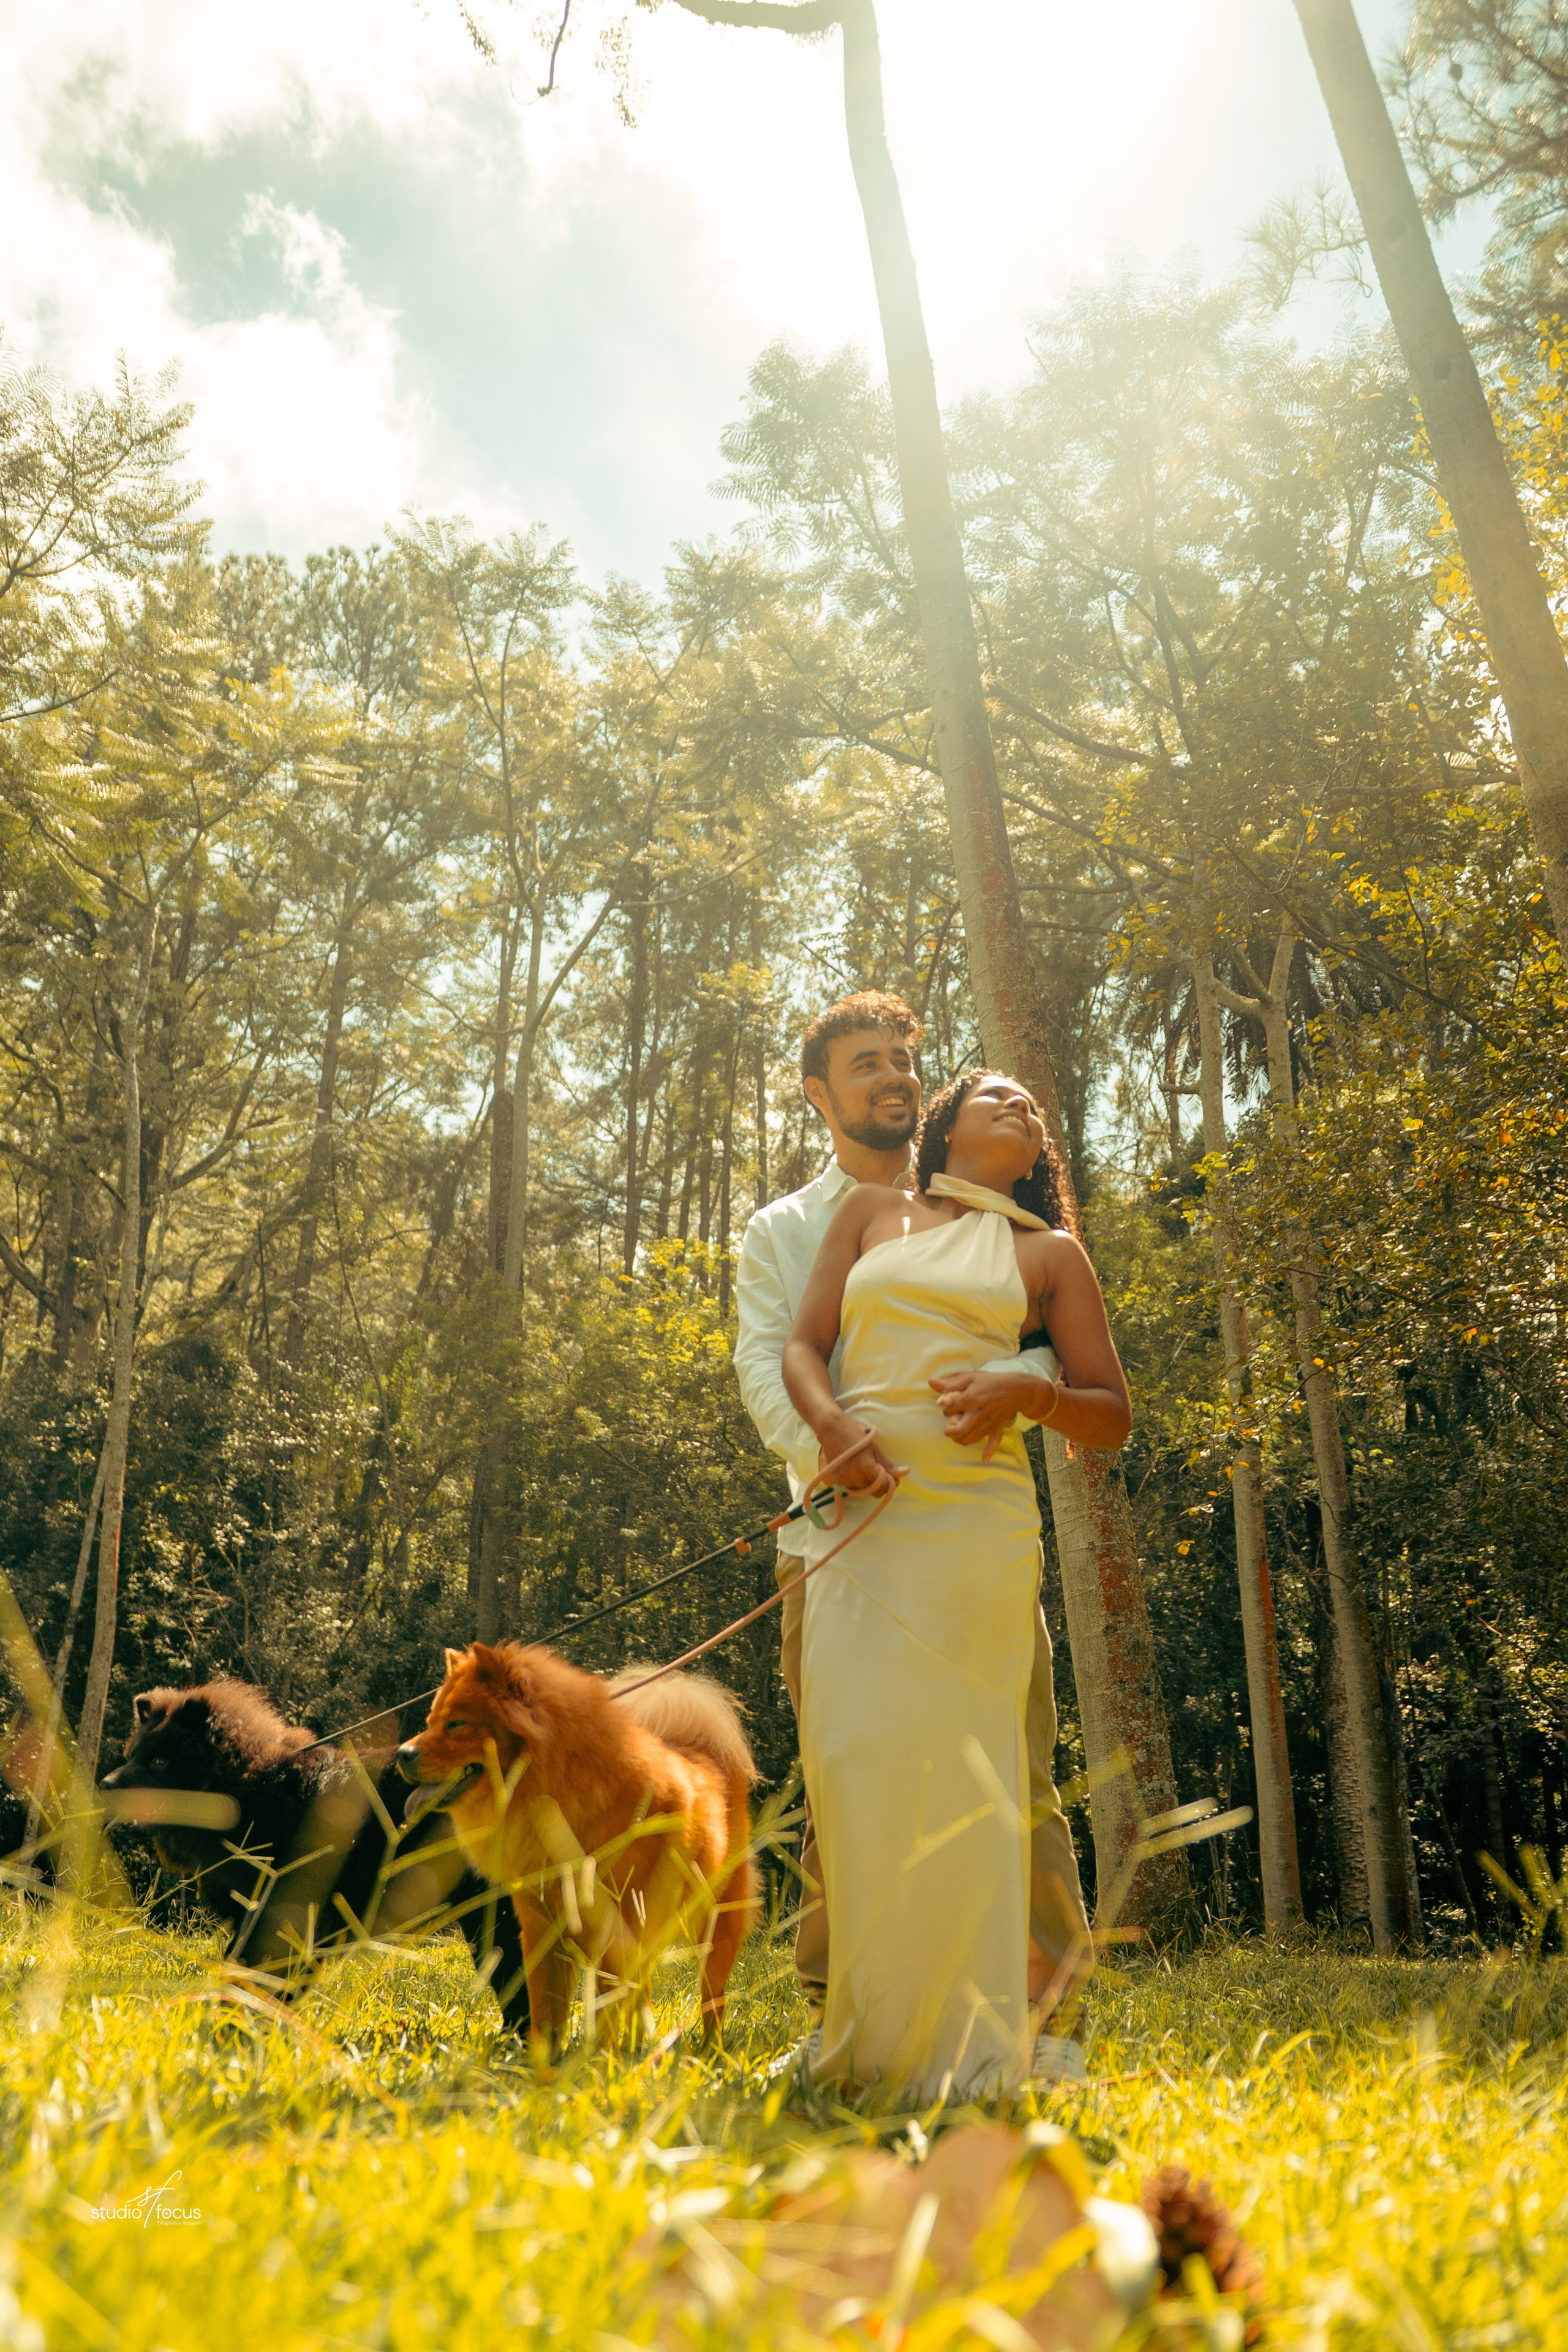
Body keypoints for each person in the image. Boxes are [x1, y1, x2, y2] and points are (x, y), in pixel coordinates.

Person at [732, 994, 1095, 2079]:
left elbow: (1055, 1364)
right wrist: (832, 1453)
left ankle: (1040, 2025)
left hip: (971, 1533)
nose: (891, 1074)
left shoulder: (1020, 1230)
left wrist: (1017, 1386)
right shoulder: (789, 1228)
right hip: (839, 1541)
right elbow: (772, 1367)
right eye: (864, 1063)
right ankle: (848, 2013)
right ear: (820, 1093)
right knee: (848, 1774)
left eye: (904, 1059)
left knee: (1013, 1778)